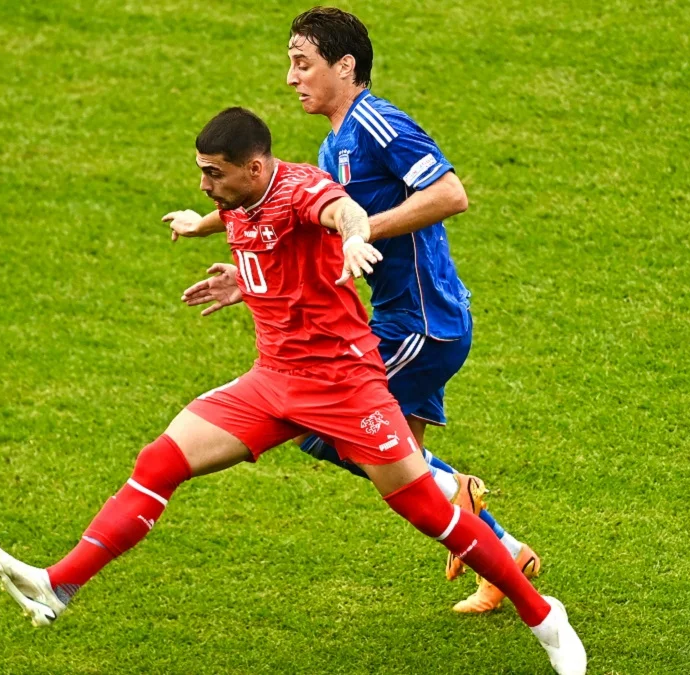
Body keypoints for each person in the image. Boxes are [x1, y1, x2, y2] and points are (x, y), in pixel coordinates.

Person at [0, 108, 585, 674]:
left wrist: (354, 235)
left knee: (427, 508)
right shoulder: (241, 198)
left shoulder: (300, 192)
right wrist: (207, 235)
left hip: (345, 386)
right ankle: (59, 583)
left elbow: (340, 209)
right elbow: (245, 222)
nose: (204, 186)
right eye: (200, 173)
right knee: (160, 459)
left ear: (255, 167)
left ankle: (544, 617)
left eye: (213, 174)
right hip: (272, 382)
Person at [167, 6, 539, 614]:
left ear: (345, 66)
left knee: (333, 434)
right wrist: (234, 256)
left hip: (422, 321)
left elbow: (450, 194)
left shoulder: (378, 123)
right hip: (397, 318)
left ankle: (463, 495)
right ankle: (503, 558)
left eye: (301, 62)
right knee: (398, 468)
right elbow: (293, 210)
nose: (291, 77)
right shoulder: (334, 140)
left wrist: (363, 232)